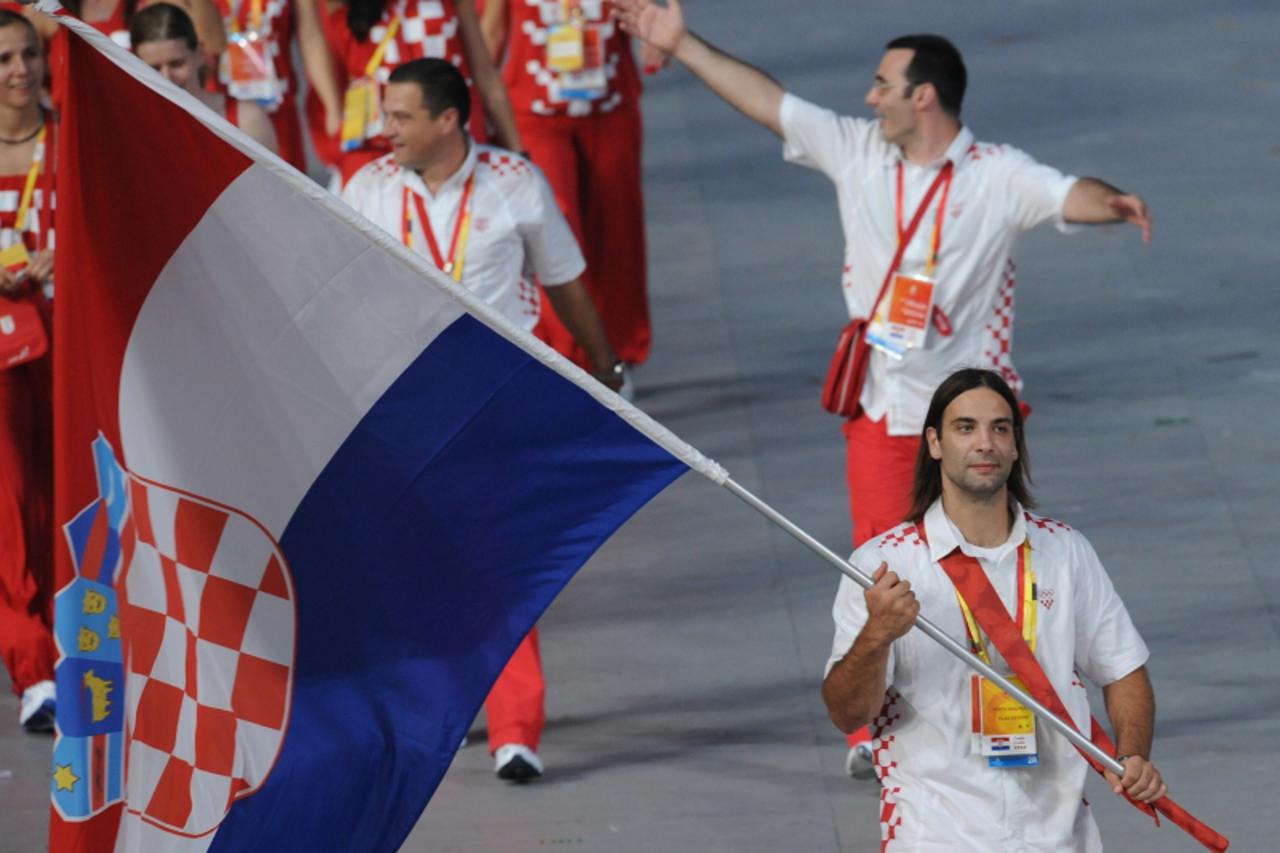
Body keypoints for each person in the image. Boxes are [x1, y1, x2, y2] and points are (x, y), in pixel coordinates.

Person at [612, 1, 1153, 775]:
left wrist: (1114, 203)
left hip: (973, 415)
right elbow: (770, 103)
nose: (869, 98)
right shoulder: (858, 152)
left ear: (922, 96)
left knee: (991, 556)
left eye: (882, 84)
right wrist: (681, 43)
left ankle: (1001, 691)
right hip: (881, 408)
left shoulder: (997, 175)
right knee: (883, 563)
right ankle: (870, 727)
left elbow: (1072, 193)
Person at [341, 57, 624, 781]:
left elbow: (565, 283)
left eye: (400, 117)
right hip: (402, 406)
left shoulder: (514, 184)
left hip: (499, 403)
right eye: (384, 114)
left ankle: (516, 724)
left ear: (447, 120)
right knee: (420, 568)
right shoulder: (364, 190)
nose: (385, 129)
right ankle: (444, 705)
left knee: (499, 564)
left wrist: (605, 366)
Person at [820, 368, 1165, 849]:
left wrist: (1131, 755)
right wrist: (877, 635)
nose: (985, 442)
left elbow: (1123, 669)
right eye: (966, 428)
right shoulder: (884, 564)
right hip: (935, 832)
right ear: (935, 443)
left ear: (1016, 445)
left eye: (1000, 428)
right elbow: (846, 712)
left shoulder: (1065, 551)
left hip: (1059, 836)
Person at [479, 0, 652, 377]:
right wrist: (474, 107)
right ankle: (569, 362)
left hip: (610, 101)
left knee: (616, 233)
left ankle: (618, 357)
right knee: (554, 229)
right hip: (534, 109)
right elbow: (489, 28)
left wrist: (657, 30)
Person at [0, 7, 55, 733]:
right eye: (4, 60)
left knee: (65, 500)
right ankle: (32, 664)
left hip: (68, 341)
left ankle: (74, 646)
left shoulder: (72, 143)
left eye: (26, 56)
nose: (18, 72)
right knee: (7, 510)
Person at [319, 0, 523, 185]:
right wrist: (332, 109)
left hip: (449, 141)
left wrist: (518, 154)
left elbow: (486, 76)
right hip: (376, 141)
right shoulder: (345, 6)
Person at [209, 0, 344, 172]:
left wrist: (333, 107)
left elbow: (311, 37)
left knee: (285, 189)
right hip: (220, 111)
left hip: (278, 110)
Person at [130, 3, 280, 154]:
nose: (166, 78)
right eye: (154, 68)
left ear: (199, 54)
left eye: (177, 64)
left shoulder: (246, 120)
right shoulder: (128, 126)